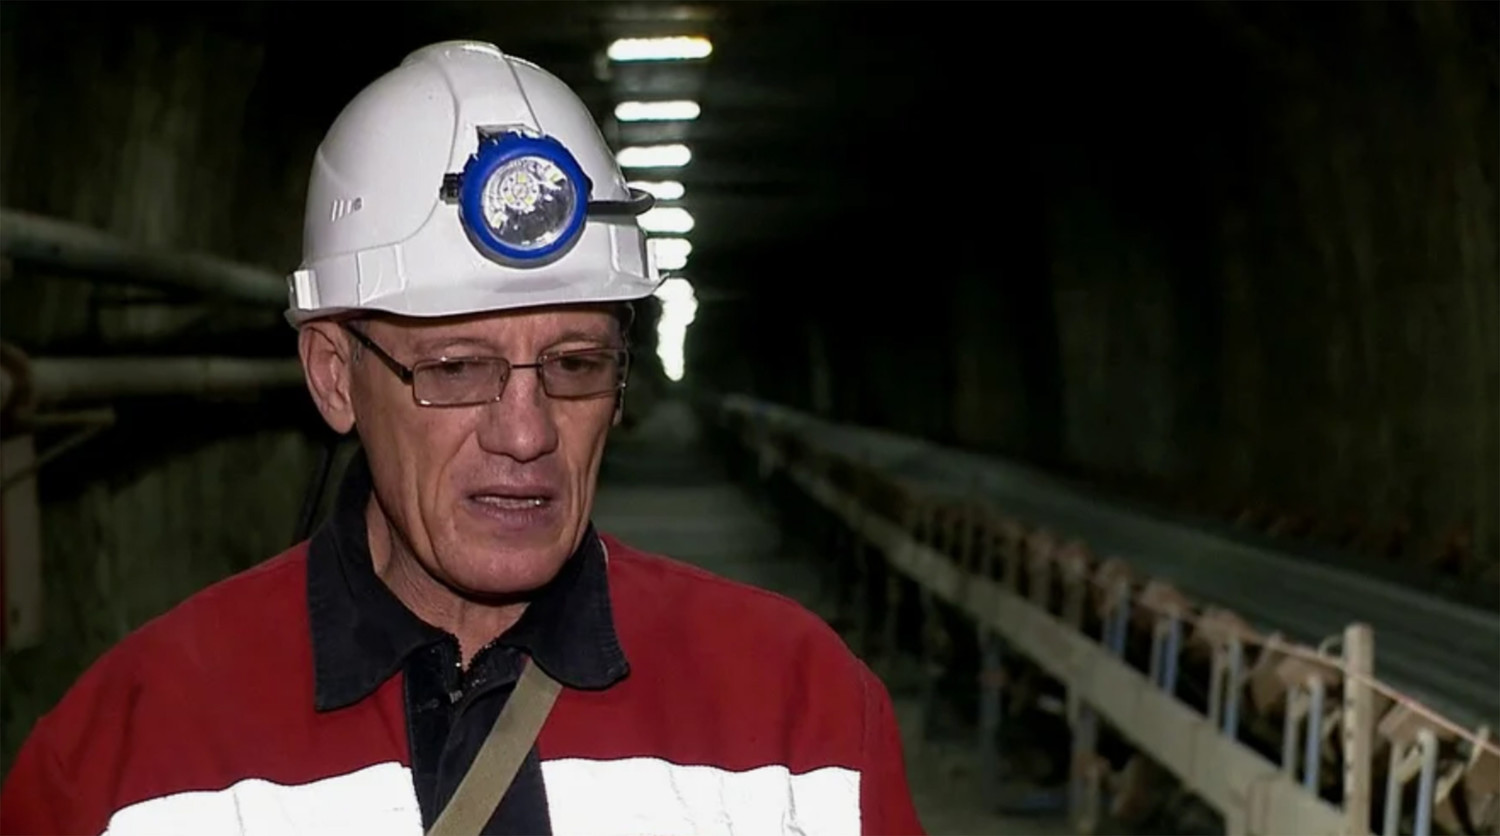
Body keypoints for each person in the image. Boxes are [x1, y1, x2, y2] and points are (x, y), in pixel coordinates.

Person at [0, 40, 925, 836]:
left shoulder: (799, 720)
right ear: (334, 375)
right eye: (454, 369)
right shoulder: (130, 757)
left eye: (574, 364)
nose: (525, 433)